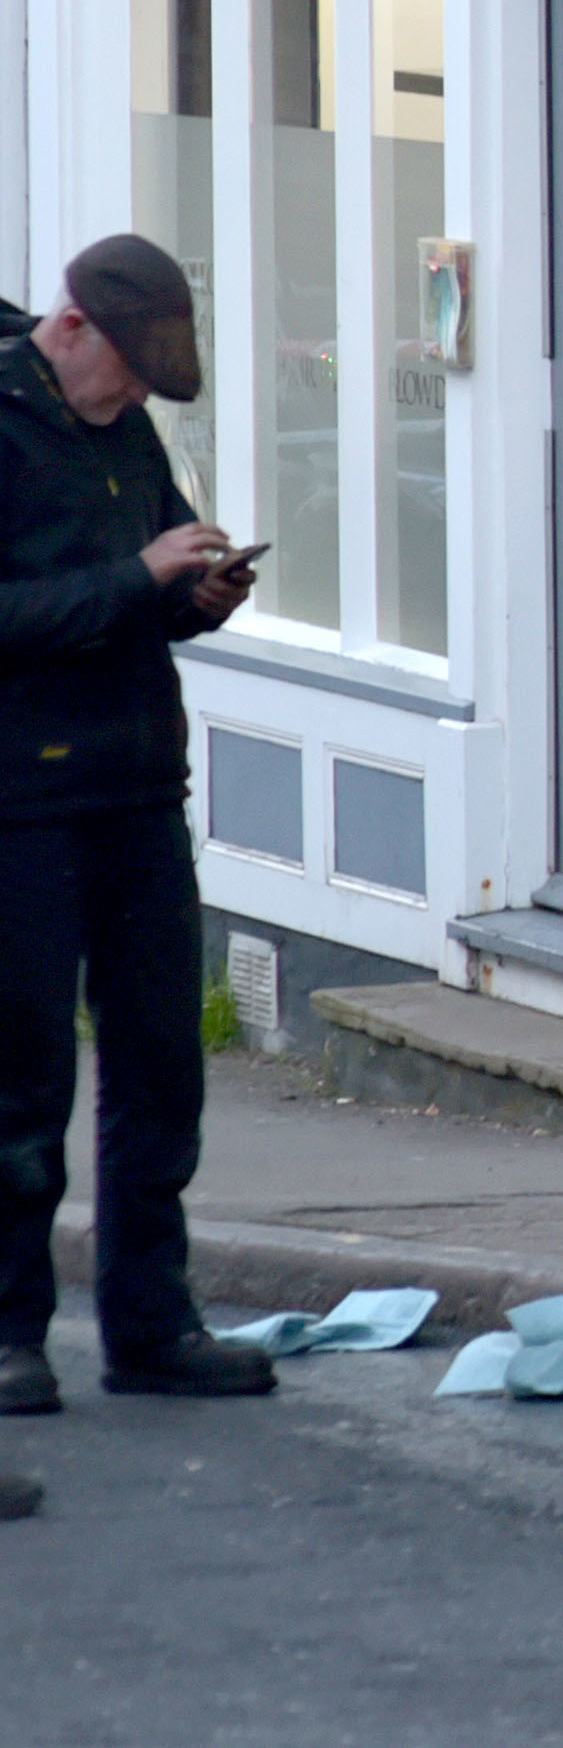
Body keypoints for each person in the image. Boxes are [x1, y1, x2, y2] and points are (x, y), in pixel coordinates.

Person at [0, 236, 273, 1418]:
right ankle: (11, 1337)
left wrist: (195, 594)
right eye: (128, 377)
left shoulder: (126, 436)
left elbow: (145, 581)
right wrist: (133, 580)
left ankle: (152, 1320)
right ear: (69, 333)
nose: (135, 403)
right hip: (22, 800)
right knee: (21, 1083)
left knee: (160, 1066)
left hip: (135, 785)